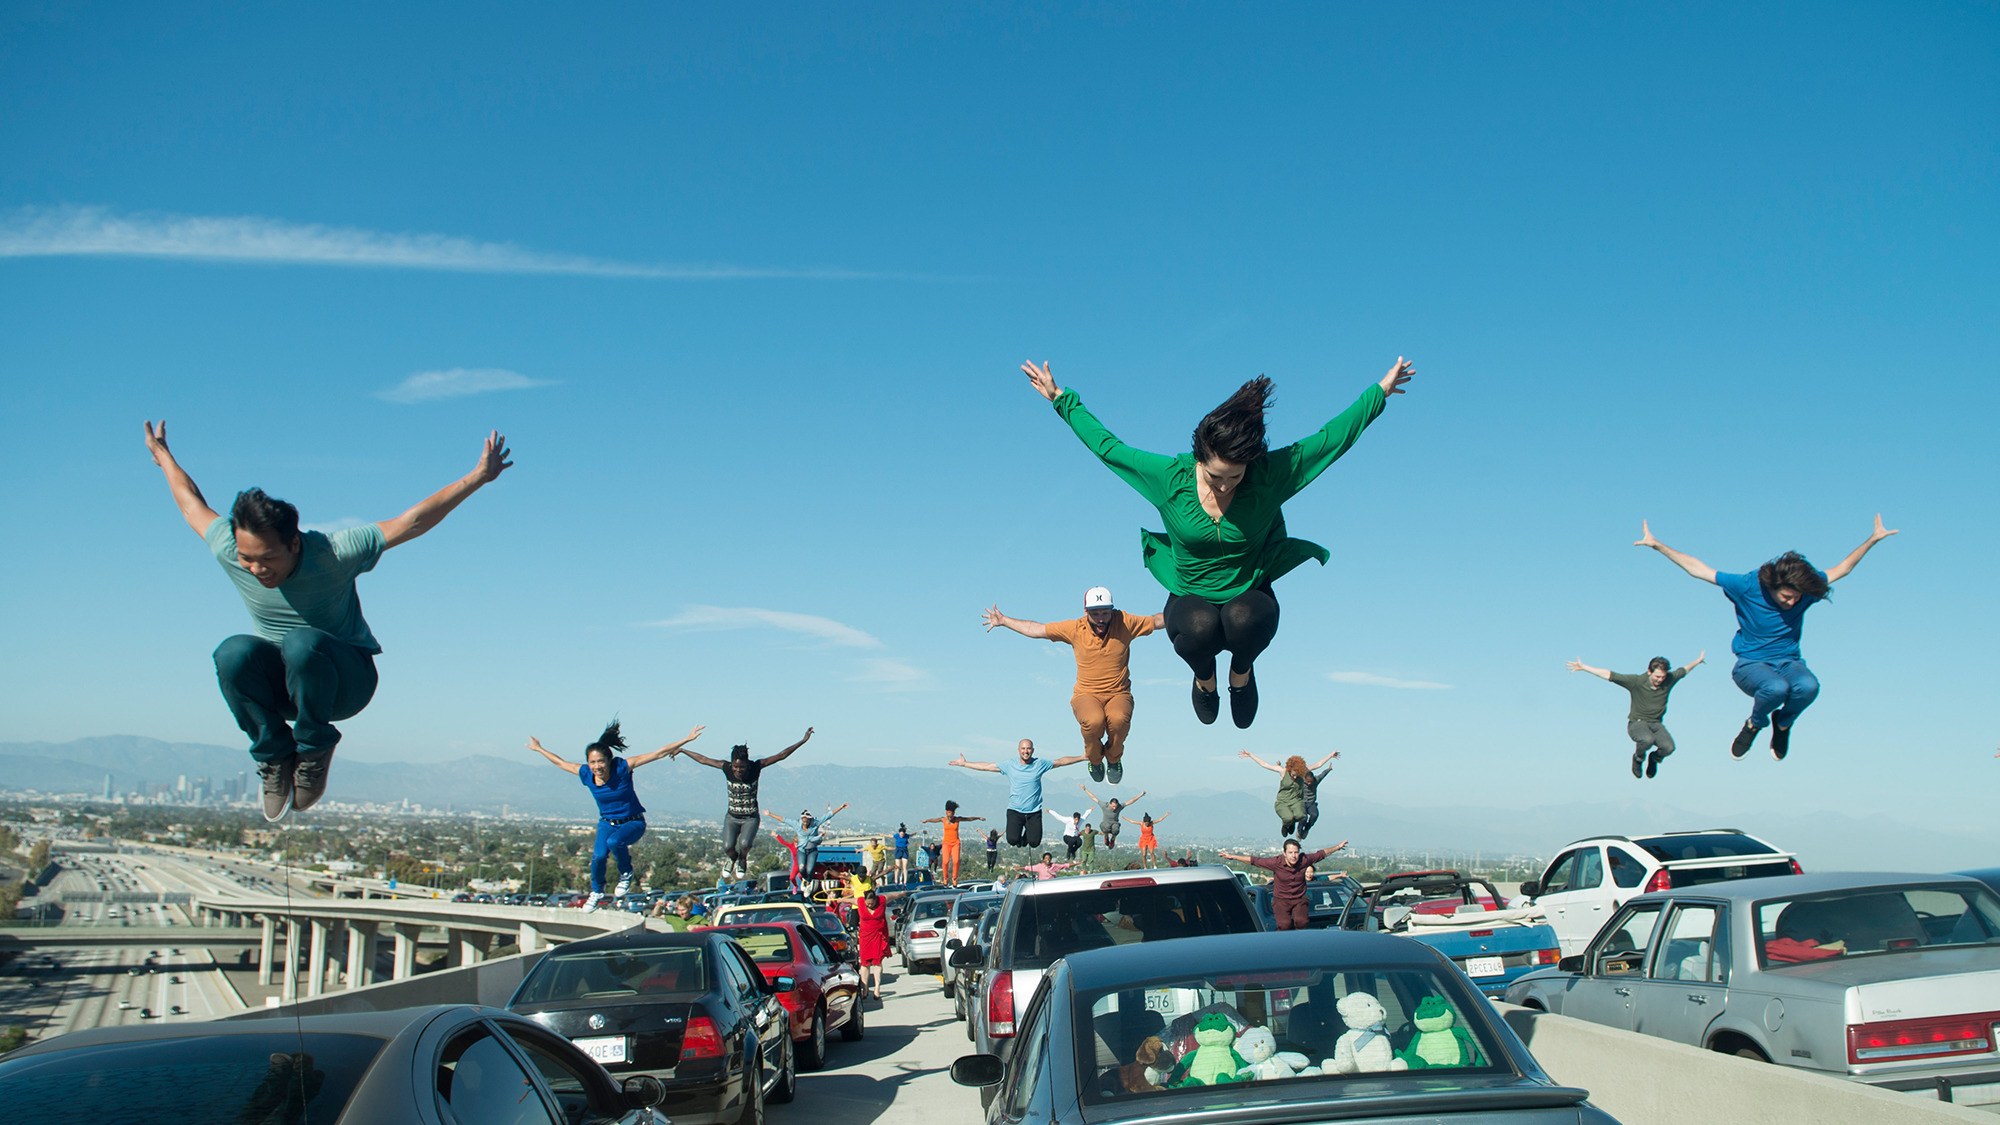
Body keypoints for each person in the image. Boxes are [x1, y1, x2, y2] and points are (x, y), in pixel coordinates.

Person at [145, 422, 514, 821]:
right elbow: (190, 504)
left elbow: (412, 522)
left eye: (268, 559)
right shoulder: (230, 547)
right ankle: (275, 757)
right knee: (231, 653)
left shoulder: (333, 553)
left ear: (294, 543)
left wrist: (478, 478)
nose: (256, 568)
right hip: (287, 686)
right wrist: (164, 456)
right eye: (248, 558)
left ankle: (315, 749)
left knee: (301, 643)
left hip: (345, 682)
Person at [1021, 357, 1415, 729]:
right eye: (1215, 477)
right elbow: (1108, 448)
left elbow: (1331, 440)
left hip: (1248, 590)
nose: (1225, 486)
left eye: (1235, 477)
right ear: (1199, 459)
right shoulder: (1168, 479)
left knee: (1244, 619)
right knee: (1199, 625)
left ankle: (1241, 674)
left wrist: (1379, 392)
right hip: (1189, 594)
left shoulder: (1268, 476)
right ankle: (1205, 679)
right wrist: (1061, 399)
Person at [1636, 517, 1897, 759]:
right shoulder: (1748, 586)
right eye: (1786, 597)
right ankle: (1754, 724)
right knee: (1776, 688)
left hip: (1789, 661)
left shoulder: (1804, 591)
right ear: (1772, 587)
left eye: (1796, 597)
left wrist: (1872, 540)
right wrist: (1658, 546)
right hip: (1751, 665)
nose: (1792, 602)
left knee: (1809, 687)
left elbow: (1842, 569)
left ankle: (1782, 723)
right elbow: (1699, 570)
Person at [983, 588, 1165, 783]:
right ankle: (1095, 760)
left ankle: (1113, 758)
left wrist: (1187, 611)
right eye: (1095, 614)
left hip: (1118, 693)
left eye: (1105, 612)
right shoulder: (1075, 628)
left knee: (1119, 719)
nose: (1101, 619)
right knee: (1094, 721)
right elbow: (1037, 629)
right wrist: (1004, 621)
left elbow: (1155, 621)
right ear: (1086, 612)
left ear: (1112, 610)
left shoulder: (1125, 622)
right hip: (1086, 694)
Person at [527, 722, 704, 911]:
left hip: (633, 822)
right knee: (598, 856)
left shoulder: (622, 768)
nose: (597, 766)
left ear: (609, 760)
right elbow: (561, 762)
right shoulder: (586, 774)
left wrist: (686, 739)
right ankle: (596, 891)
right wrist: (539, 749)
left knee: (614, 842)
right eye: (592, 762)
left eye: (601, 761)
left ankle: (626, 872)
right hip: (607, 823)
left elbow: (658, 753)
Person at [671, 727, 815, 879]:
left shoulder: (756, 767)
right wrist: (682, 750)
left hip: (750, 818)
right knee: (727, 847)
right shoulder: (725, 767)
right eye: (735, 767)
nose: (738, 770)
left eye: (742, 767)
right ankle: (732, 858)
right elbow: (703, 760)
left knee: (745, 844)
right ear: (731, 764)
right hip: (732, 817)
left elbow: (782, 755)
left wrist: (803, 740)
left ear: (747, 764)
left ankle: (742, 859)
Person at [1568, 651, 1706, 778]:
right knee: (1647, 740)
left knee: (1669, 747)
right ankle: (1638, 759)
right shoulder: (1637, 682)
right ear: (1649, 672)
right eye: (1657, 676)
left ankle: (1654, 759)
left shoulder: (1669, 679)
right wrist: (1584, 667)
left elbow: (1684, 670)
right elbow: (1609, 675)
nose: (1660, 680)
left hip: (1656, 724)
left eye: (1662, 677)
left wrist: (1698, 661)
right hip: (1637, 723)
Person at [949, 739, 1087, 848]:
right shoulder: (1010, 765)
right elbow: (987, 766)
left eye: (1028, 748)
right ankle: (1021, 838)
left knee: (1034, 843)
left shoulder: (1040, 764)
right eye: (1023, 748)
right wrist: (965, 764)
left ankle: (1028, 834)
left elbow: (1060, 762)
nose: (1026, 751)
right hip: (1015, 811)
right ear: (1018, 750)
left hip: (1034, 812)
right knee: (1013, 840)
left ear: (1032, 750)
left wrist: (1082, 757)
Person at [1219, 838, 1350, 930]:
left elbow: (1321, 854)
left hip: (1299, 899)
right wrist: (1233, 856)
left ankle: (1300, 942)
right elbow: (1255, 860)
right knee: (1284, 924)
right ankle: (1281, 941)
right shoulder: (1275, 862)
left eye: (1296, 852)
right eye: (1290, 853)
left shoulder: (1304, 860)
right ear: (1284, 853)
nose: (1294, 856)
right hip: (1281, 900)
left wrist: (1337, 847)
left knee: (1302, 921)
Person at [1238, 750, 1338, 837]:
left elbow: (1318, 764)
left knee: (1301, 816)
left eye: (1297, 775)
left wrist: (1330, 755)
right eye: (1293, 775)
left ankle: (1292, 822)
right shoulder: (1282, 771)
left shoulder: (1303, 771)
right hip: (1283, 802)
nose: (1295, 777)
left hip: (1296, 801)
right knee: (1288, 817)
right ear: (1290, 770)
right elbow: (1265, 764)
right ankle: (1286, 824)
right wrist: (1251, 755)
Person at [765, 804, 848, 890]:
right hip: (802, 850)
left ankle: (808, 881)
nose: (805, 825)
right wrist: (770, 814)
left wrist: (841, 807)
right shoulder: (796, 824)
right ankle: (806, 881)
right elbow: (783, 819)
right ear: (801, 820)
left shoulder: (815, 823)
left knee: (809, 869)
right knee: (801, 868)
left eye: (807, 822)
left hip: (812, 850)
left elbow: (828, 815)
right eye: (804, 823)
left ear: (809, 820)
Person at [852, 886, 909, 1001]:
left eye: (871, 903)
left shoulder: (882, 900)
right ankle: (865, 988)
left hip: (878, 936)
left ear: (875, 900)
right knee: (865, 964)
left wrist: (903, 893)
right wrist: (837, 900)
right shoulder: (859, 901)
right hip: (865, 938)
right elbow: (847, 900)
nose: (869, 905)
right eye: (867, 903)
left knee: (877, 962)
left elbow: (893, 895)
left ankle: (877, 987)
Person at [920, 800, 984, 886]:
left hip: (955, 843)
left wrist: (978, 818)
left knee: (956, 861)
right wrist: (927, 820)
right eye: (948, 816)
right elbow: (934, 820)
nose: (950, 818)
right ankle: (945, 878)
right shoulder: (943, 819)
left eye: (951, 816)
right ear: (946, 813)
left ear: (953, 813)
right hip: (946, 843)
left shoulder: (957, 819)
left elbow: (968, 819)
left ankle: (954, 878)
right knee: (945, 861)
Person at [1079, 784, 1147, 850]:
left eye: (1116, 806)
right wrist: (1085, 789)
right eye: (1113, 806)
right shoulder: (1104, 805)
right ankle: (1106, 836)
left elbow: (1130, 801)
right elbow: (1094, 798)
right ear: (1110, 804)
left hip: (1115, 823)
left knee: (1116, 829)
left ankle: (1113, 839)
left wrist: (1140, 795)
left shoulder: (1119, 806)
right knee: (1105, 828)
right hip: (1106, 823)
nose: (1114, 808)